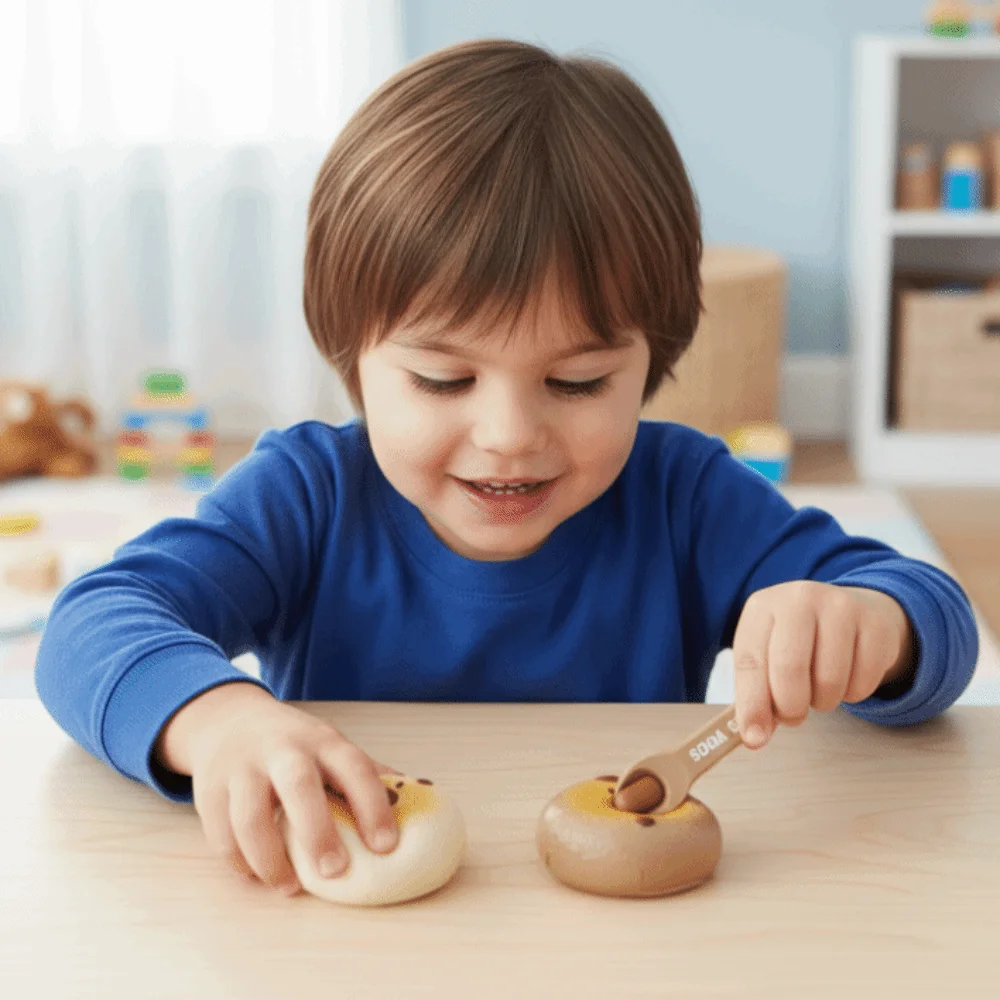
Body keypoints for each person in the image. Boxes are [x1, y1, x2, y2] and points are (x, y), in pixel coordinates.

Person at [34, 38, 978, 899]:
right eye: (444, 378)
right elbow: (92, 626)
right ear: (350, 354)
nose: (510, 434)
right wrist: (219, 720)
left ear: (654, 355)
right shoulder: (310, 493)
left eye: (577, 381)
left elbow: (933, 619)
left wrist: (871, 625)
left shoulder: (684, 494)